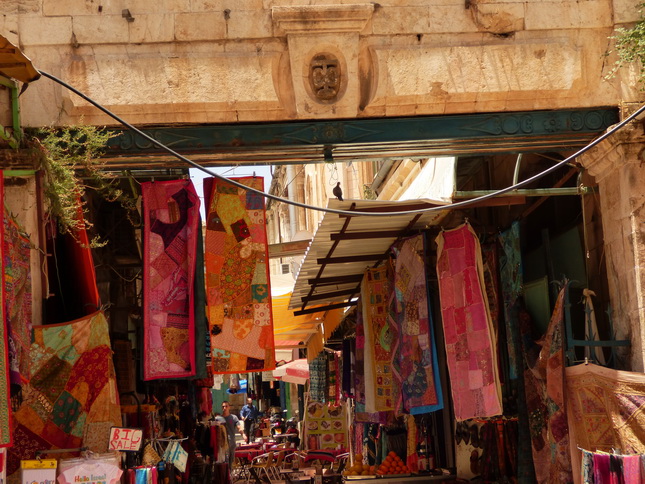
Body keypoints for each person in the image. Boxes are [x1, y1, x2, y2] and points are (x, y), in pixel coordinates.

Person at [221, 401, 243, 466]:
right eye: (223, 407)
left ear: (229, 407)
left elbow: (239, 427)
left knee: (231, 460)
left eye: (226, 406)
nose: (224, 408)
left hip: (232, 443)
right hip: (224, 443)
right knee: (226, 461)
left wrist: (243, 434)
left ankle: (230, 474)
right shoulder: (219, 419)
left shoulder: (234, 417)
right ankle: (226, 475)